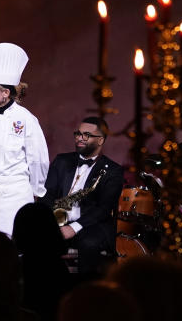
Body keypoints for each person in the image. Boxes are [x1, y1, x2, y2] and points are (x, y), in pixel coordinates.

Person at [0, 43, 50, 235]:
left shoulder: (26, 119)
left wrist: (36, 190)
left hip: (16, 194)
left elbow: (38, 158)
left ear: (5, 92)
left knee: (15, 242)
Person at [41, 116, 122, 274]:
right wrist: (54, 221)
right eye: (78, 134)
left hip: (91, 225)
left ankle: (85, 291)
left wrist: (74, 227)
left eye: (87, 135)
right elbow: (48, 194)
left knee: (89, 244)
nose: (80, 138)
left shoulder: (113, 171)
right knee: (39, 239)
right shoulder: (62, 161)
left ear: (100, 140)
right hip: (60, 220)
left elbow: (104, 209)